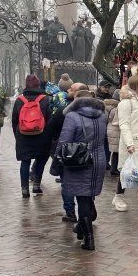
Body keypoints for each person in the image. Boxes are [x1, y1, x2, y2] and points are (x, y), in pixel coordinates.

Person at [55, 89, 107, 250]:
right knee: (88, 194)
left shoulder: (72, 117)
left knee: (82, 198)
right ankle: (81, 228)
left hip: (79, 160)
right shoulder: (102, 116)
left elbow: (64, 142)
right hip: (98, 160)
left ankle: (88, 238)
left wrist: (57, 162)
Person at [111, 75, 138, 214]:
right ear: (136, 85)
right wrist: (129, 143)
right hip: (133, 143)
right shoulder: (125, 103)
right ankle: (118, 196)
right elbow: (124, 124)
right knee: (126, 171)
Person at [11, 74, 54, 199]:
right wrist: (48, 135)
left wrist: (17, 135)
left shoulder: (20, 100)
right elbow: (49, 119)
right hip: (41, 135)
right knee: (40, 160)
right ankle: (36, 185)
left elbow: (14, 120)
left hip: (23, 136)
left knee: (25, 162)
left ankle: (24, 188)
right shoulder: (45, 99)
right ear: (38, 85)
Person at [49, 82, 85, 222]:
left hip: (68, 152)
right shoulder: (97, 113)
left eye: (71, 89)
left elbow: (52, 129)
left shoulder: (64, 111)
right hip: (87, 153)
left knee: (67, 182)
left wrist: (55, 151)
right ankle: (87, 210)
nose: (68, 90)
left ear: (77, 94)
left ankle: (70, 211)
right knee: (85, 183)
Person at [104, 96, 121, 176]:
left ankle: (113, 168)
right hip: (116, 130)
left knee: (114, 151)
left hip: (110, 129)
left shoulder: (106, 107)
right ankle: (114, 169)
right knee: (117, 151)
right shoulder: (117, 109)